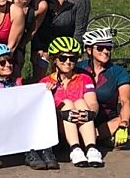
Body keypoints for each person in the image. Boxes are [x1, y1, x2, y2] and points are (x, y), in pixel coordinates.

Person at [41, 37, 103, 167]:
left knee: (80, 101)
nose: (68, 62)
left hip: (81, 124)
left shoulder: (84, 78)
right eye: (63, 58)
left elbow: (92, 102)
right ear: (54, 60)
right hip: (58, 128)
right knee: (67, 103)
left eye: (72, 59)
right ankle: (75, 149)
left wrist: (91, 113)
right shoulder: (45, 83)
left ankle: (91, 148)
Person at [33, 0, 91, 78]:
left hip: (69, 41)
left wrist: (74, 52)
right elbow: (34, 26)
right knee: (41, 65)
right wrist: (38, 49)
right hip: (44, 41)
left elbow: (79, 30)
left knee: (71, 68)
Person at [78, 28, 130, 149]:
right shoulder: (78, 68)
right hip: (82, 116)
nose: (106, 51)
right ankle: (97, 139)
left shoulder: (119, 72)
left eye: (108, 47)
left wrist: (124, 124)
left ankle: (88, 137)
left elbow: (125, 101)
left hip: (106, 120)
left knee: (128, 121)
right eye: (100, 48)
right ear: (89, 49)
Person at [12, 0, 48, 72]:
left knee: (17, 70)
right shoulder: (8, 1)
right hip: (1, 39)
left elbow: (33, 30)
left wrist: (20, 48)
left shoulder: (40, 6)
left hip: (19, 41)